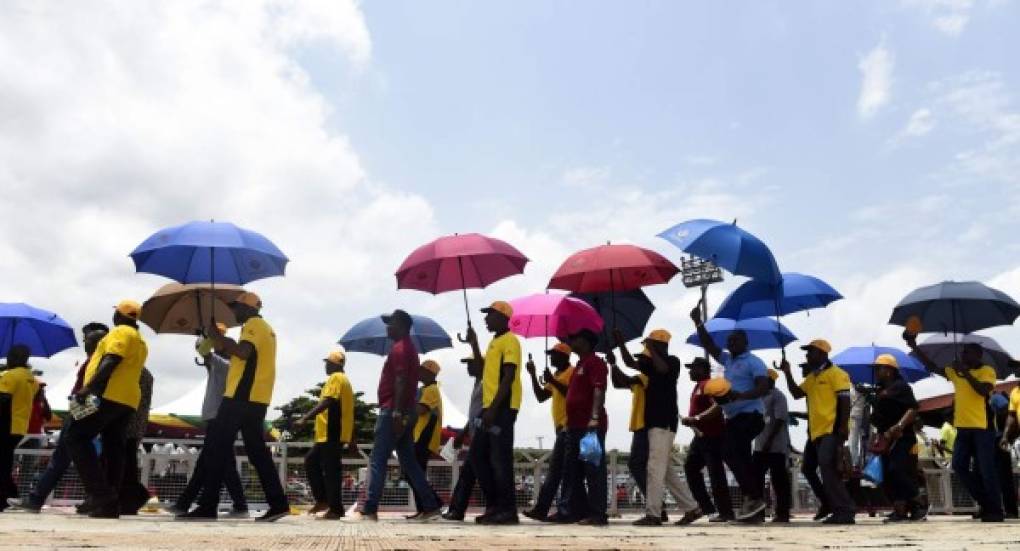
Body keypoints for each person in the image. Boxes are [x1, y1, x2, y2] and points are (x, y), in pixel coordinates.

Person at [178, 292, 290, 522]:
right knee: (257, 453)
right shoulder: (267, 328)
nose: (233, 312)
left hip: (240, 396)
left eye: (236, 307)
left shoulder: (252, 325)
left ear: (247, 308)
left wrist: (218, 337)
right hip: (257, 398)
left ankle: (208, 506)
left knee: (215, 448)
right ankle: (278, 504)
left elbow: (243, 352)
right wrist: (219, 338)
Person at [353, 309, 440, 521]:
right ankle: (430, 505)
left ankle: (369, 508)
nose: (387, 328)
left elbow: (401, 379)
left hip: (394, 410)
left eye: (390, 323)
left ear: (401, 326)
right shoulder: (410, 349)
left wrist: (397, 413)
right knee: (409, 462)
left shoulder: (400, 349)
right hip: (406, 410)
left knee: (378, 459)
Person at [13, 323, 108, 513]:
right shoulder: (94, 361)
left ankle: (37, 499)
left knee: (70, 459)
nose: (85, 342)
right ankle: (39, 498)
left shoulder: (97, 363)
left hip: (81, 414)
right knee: (68, 459)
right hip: (79, 413)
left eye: (88, 339)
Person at [906, 335, 1002, 522]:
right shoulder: (956, 372)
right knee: (958, 466)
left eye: (967, 352)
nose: (963, 355)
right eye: (963, 352)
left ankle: (996, 510)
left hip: (982, 428)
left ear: (978, 355)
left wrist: (965, 373)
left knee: (986, 470)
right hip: (963, 428)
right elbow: (933, 367)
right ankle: (985, 503)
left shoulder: (987, 370)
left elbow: (983, 391)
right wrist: (914, 346)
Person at [67, 300, 148, 518]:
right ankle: (110, 503)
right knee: (114, 447)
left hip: (109, 394)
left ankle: (100, 494)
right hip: (128, 399)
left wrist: (88, 387)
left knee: (75, 437)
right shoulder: (140, 340)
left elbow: (112, 359)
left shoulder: (121, 331)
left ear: (119, 316)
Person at [690, 303, 770, 521]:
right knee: (741, 458)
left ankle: (754, 496)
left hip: (751, 415)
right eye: (729, 340)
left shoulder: (753, 361)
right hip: (734, 418)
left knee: (728, 450)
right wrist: (698, 322)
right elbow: (708, 344)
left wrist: (740, 396)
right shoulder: (727, 360)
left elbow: (764, 386)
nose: (730, 343)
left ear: (746, 343)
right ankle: (754, 510)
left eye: (735, 340)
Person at [618, 329, 702, 527]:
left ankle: (654, 514)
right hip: (653, 423)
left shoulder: (673, 361)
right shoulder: (649, 365)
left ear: (660, 345)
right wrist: (621, 343)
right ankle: (692, 508)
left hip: (663, 422)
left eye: (651, 345)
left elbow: (663, 369)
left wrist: (652, 348)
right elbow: (631, 363)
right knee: (664, 471)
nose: (647, 349)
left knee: (654, 469)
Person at [166, 325, 248, 516]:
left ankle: (187, 503)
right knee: (218, 464)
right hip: (220, 418)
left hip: (218, 418)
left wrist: (207, 337)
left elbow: (202, 350)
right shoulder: (227, 365)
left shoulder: (224, 364)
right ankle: (185, 503)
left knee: (211, 464)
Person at [778, 339, 854, 524]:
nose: (807, 355)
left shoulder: (838, 374)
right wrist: (787, 373)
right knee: (807, 468)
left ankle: (845, 510)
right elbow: (796, 393)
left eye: (810, 352)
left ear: (822, 354)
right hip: (815, 433)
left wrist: (843, 427)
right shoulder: (812, 378)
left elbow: (844, 401)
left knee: (828, 468)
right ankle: (829, 503)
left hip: (831, 429)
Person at [463, 301, 523, 525]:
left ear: (503, 317)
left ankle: (507, 510)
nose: (486, 319)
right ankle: (495, 506)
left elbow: (508, 378)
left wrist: (494, 409)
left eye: (490, 315)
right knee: (478, 456)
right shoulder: (493, 342)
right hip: (489, 409)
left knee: (500, 460)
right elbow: (480, 371)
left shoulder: (510, 341)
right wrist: (475, 343)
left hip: (502, 408)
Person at [522, 343, 581, 522]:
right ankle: (550, 509)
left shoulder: (571, 372)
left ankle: (547, 509)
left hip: (569, 426)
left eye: (554, 355)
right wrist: (533, 375)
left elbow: (572, 393)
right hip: (561, 429)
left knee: (558, 470)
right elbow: (541, 396)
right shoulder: (556, 375)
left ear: (564, 356)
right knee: (559, 471)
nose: (551, 358)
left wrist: (553, 381)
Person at [556, 328, 609, 526]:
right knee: (572, 471)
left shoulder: (595, 363)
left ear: (585, 342)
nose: (571, 341)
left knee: (593, 471)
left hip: (589, 428)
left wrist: (594, 417)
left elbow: (599, 388)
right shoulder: (580, 364)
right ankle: (575, 511)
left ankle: (597, 514)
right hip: (574, 426)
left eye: (574, 338)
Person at [296, 350, 355, 520]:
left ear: (335, 364)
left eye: (327, 363)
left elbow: (328, 401)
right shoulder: (345, 381)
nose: (325, 366)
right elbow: (349, 412)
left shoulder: (336, 378)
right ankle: (323, 501)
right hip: (329, 434)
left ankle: (336, 509)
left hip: (332, 432)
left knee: (331, 471)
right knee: (312, 461)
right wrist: (352, 439)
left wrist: (305, 418)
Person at [869, 354, 924, 522]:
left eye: (879, 368)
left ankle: (919, 502)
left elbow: (913, 409)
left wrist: (899, 426)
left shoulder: (901, 387)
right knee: (888, 475)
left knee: (899, 471)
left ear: (890, 371)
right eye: (875, 369)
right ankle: (900, 510)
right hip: (885, 438)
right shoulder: (879, 390)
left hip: (902, 438)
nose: (876, 372)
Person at [681, 357, 734, 523]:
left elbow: (718, 407)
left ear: (703, 369)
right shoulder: (698, 386)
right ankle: (706, 507)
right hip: (700, 437)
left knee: (715, 474)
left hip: (713, 437)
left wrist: (696, 418)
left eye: (693, 368)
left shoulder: (708, 385)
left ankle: (726, 512)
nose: (690, 371)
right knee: (690, 468)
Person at [608, 342, 650, 518]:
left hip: (645, 427)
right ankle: (656, 504)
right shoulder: (640, 378)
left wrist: (614, 364)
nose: (639, 362)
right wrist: (612, 365)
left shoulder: (646, 378)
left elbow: (625, 379)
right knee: (641, 466)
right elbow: (618, 384)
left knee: (636, 464)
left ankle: (655, 503)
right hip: (639, 427)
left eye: (642, 359)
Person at [0, 344, 42, 513]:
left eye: (10, 356)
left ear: (16, 358)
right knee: (5, 461)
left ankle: (4, 498)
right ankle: (11, 494)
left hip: (5, 424)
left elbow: (3, 400)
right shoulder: (32, 379)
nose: (7, 359)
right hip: (19, 426)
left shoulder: (9, 376)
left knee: (2, 463)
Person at [442, 355, 483, 521]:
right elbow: (474, 413)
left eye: (471, 364)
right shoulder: (477, 383)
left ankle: (457, 510)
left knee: (470, 475)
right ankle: (456, 509)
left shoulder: (487, 382)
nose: (468, 368)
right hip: (475, 434)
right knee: (469, 475)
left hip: (482, 435)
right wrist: (464, 432)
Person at [406, 359, 444, 519]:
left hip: (425, 437)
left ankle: (432, 504)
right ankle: (425, 507)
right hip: (420, 436)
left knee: (414, 473)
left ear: (429, 372)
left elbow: (420, 410)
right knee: (415, 473)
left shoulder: (432, 390)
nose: (418, 372)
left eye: (421, 370)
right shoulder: (425, 389)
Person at [752, 369, 791, 523]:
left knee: (779, 480)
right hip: (759, 445)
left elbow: (780, 419)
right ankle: (758, 512)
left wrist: (769, 440)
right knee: (756, 479)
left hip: (776, 446)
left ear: (770, 380)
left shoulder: (778, 396)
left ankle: (782, 513)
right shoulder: (758, 397)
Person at [119, 367, 154, 515]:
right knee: (128, 467)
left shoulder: (132, 372)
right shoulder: (146, 374)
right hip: (136, 424)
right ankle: (131, 499)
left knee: (125, 468)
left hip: (128, 424)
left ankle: (133, 498)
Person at [990, 392, 1017, 519]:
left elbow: (1004, 407)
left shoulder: (995, 397)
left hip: (997, 439)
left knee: (1004, 476)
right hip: (995, 439)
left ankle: (1010, 509)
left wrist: (1003, 432)